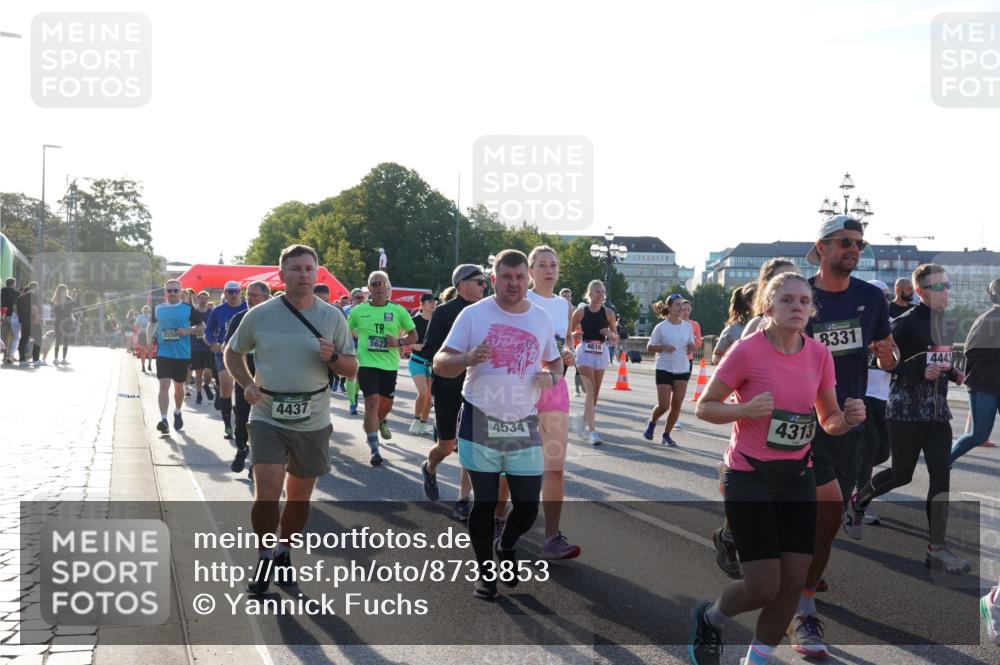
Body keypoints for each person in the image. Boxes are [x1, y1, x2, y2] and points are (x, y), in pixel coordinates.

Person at [688, 271, 865, 665]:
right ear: (768, 306)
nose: (797, 307)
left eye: (804, 301)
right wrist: (743, 410)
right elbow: (704, 406)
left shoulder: (818, 354)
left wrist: (848, 419)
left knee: (793, 584)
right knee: (764, 586)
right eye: (787, 300)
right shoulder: (748, 351)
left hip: (797, 476)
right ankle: (710, 616)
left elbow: (828, 418)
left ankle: (757, 660)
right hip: (749, 475)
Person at [788, 215, 896, 659]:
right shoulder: (798, 295)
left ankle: (794, 579)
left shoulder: (872, 298)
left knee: (828, 522)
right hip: (799, 421)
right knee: (824, 507)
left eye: (860, 244)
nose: (854, 249)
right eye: (845, 242)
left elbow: (887, 357)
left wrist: (889, 356)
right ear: (823, 247)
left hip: (848, 420)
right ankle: (803, 610)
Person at [225, 244, 358, 595]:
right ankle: (265, 555)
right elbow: (232, 353)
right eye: (295, 269)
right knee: (267, 493)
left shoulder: (333, 317)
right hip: (267, 414)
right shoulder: (260, 314)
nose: (303, 275)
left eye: (308, 269)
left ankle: (284, 549)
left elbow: (352, 367)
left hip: (312, 416)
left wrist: (333, 359)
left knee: (299, 499)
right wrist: (247, 384)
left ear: (317, 273)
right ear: (282, 275)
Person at [433, 249, 562, 600]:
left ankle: (506, 546)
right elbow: (440, 363)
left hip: (523, 421)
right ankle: (485, 573)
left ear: (528, 279)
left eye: (520, 277)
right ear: (494, 279)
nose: (514, 284)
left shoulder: (540, 318)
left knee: (526, 507)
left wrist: (552, 376)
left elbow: (555, 362)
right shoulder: (473, 315)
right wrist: (466, 357)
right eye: (506, 277)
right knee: (485, 502)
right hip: (480, 417)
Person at [848, 264, 971, 573]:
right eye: (940, 287)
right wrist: (916, 370)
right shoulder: (903, 323)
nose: (947, 291)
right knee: (902, 474)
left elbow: (936, 359)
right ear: (921, 292)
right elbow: (880, 361)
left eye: (948, 285)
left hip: (937, 411)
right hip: (905, 410)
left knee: (941, 476)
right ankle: (858, 501)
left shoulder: (947, 322)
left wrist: (952, 371)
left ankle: (936, 549)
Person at [525, 245, 581, 560]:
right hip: (521, 390)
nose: (549, 270)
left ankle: (552, 537)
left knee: (555, 467)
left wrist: (568, 355)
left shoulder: (563, 304)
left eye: (554, 265)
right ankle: (498, 520)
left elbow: (564, 341)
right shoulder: (522, 301)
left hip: (555, 388)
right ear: (531, 271)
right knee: (513, 468)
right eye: (543, 264)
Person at [420, 264, 485, 521]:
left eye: (484, 282)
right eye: (479, 281)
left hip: (478, 388)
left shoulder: (486, 311)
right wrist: (462, 357)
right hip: (448, 387)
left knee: (470, 445)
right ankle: (430, 466)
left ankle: (462, 500)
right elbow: (431, 351)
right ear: (461, 284)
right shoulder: (445, 312)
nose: (484, 286)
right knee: (446, 446)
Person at [347, 271, 417, 465]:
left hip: (389, 365)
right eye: (374, 284)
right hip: (367, 364)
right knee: (371, 403)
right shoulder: (358, 311)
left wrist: (399, 341)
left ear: (387, 287)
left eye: (381, 284)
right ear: (369, 289)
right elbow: (345, 332)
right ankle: (374, 448)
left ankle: (381, 420)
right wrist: (354, 343)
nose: (378, 288)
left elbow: (414, 336)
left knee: (385, 406)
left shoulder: (398, 310)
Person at [849, 279, 894, 528]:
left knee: (882, 451)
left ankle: (849, 473)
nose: (883, 301)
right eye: (880, 296)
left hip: (884, 397)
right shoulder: (858, 324)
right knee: (869, 448)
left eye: (886, 297)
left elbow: (898, 359)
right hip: (861, 395)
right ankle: (859, 501)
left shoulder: (890, 327)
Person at [949, 277, 1000, 465]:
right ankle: (943, 462)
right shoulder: (988, 318)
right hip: (983, 385)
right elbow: (970, 350)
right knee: (979, 435)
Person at [225, 280, 271, 476]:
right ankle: (242, 448)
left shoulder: (275, 319)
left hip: (269, 377)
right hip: (244, 375)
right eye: (248, 295)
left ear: (266, 298)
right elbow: (229, 348)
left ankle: (255, 463)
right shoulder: (239, 318)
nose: (249, 299)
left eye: (254, 295)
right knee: (243, 421)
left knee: (262, 423)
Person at [151, 279, 206, 434]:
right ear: (165, 292)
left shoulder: (187, 308)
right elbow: (152, 324)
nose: (172, 293)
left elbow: (202, 327)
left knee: (178, 387)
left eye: (176, 290)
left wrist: (187, 331)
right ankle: (163, 419)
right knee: (164, 384)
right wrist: (149, 339)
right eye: (169, 290)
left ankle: (177, 411)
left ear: (181, 292)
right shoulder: (159, 308)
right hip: (164, 352)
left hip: (182, 353)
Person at [570, 280, 619, 445]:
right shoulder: (581, 312)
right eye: (597, 291)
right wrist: (574, 336)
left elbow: (616, 338)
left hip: (601, 352)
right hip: (584, 353)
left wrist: (610, 334)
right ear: (590, 294)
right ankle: (593, 433)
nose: (601, 295)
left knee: (595, 395)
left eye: (603, 292)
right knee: (590, 392)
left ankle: (584, 419)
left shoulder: (608, 313)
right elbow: (567, 331)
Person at [644, 294, 695, 447]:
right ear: (670, 307)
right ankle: (652, 422)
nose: (681, 308)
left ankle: (666, 434)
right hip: (664, 368)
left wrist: (692, 347)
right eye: (678, 305)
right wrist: (664, 347)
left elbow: (691, 343)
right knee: (664, 405)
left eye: (683, 306)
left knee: (677, 404)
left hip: (682, 368)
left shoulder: (687, 326)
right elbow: (649, 347)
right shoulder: (661, 327)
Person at [205, 281, 248, 440]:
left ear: (240, 292)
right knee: (226, 387)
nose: (233, 294)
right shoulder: (218, 311)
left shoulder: (247, 308)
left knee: (244, 389)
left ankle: (242, 421)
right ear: (225, 293)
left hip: (246, 353)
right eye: (230, 291)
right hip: (224, 353)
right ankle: (228, 425)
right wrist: (213, 343)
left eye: (236, 291)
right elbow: (208, 331)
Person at [741, 259, 798, 339]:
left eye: (797, 278)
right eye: (784, 280)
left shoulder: (806, 320)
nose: (792, 284)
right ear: (767, 287)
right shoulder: (755, 326)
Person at [407, 293, 438, 435]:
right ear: (422, 304)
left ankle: (423, 423)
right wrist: (413, 345)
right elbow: (402, 336)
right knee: (423, 393)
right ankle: (415, 421)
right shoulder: (414, 320)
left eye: (434, 302)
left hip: (432, 364)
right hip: (416, 362)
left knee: (430, 396)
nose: (433, 304)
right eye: (430, 302)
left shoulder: (438, 321)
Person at [712, 282, 756, 365]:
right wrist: (733, 367)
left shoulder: (776, 324)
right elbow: (716, 356)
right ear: (750, 303)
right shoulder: (734, 328)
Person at [342, 288, 366, 415]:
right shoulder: (346, 310)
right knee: (351, 374)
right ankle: (352, 403)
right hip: (350, 345)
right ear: (352, 299)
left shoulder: (368, 309)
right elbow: (344, 328)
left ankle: (355, 396)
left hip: (364, 346)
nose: (361, 300)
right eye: (358, 298)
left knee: (360, 375)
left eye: (362, 297)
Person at [190, 291, 216, 405]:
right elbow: (187, 327)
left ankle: (206, 385)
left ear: (208, 299)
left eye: (205, 298)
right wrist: (195, 329)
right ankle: (199, 394)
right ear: (197, 299)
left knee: (208, 373)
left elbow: (216, 327)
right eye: (201, 298)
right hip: (195, 347)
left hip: (208, 347)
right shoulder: (193, 313)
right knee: (198, 373)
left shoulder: (212, 313)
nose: (203, 300)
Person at [50, 284, 76, 365]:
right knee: (66, 340)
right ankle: (64, 359)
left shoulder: (54, 300)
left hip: (58, 322)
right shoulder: (69, 299)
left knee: (58, 340)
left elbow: (53, 312)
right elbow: (70, 311)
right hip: (67, 322)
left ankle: (55, 358)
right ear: (66, 290)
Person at [16, 282, 41, 367]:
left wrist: (21, 319)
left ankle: (22, 360)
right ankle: (36, 359)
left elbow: (16, 309)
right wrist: (37, 320)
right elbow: (35, 309)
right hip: (33, 321)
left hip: (24, 322)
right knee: (38, 339)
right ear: (36, 287)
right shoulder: (34, 296)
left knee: (23, 340)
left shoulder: (20, 297)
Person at [1, 278, 18, 364]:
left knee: (4, 336)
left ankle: (5, 355)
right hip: (12, 316)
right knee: (12, 336)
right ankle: (10, 356)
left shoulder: (2, 291)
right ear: (13, 284)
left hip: (3, 315)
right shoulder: (15, 293)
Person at [135, 305, 152, 372]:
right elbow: (137, 324)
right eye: (145, 311)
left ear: (149, 311)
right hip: (142, 334)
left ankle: (149, 364)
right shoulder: (139, 317)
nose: (146, 312)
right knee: (143, 351)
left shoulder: (151, 317)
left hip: (150, 334)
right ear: (142, 311)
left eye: (147, 311)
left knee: (150, 350)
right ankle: (143, 366)